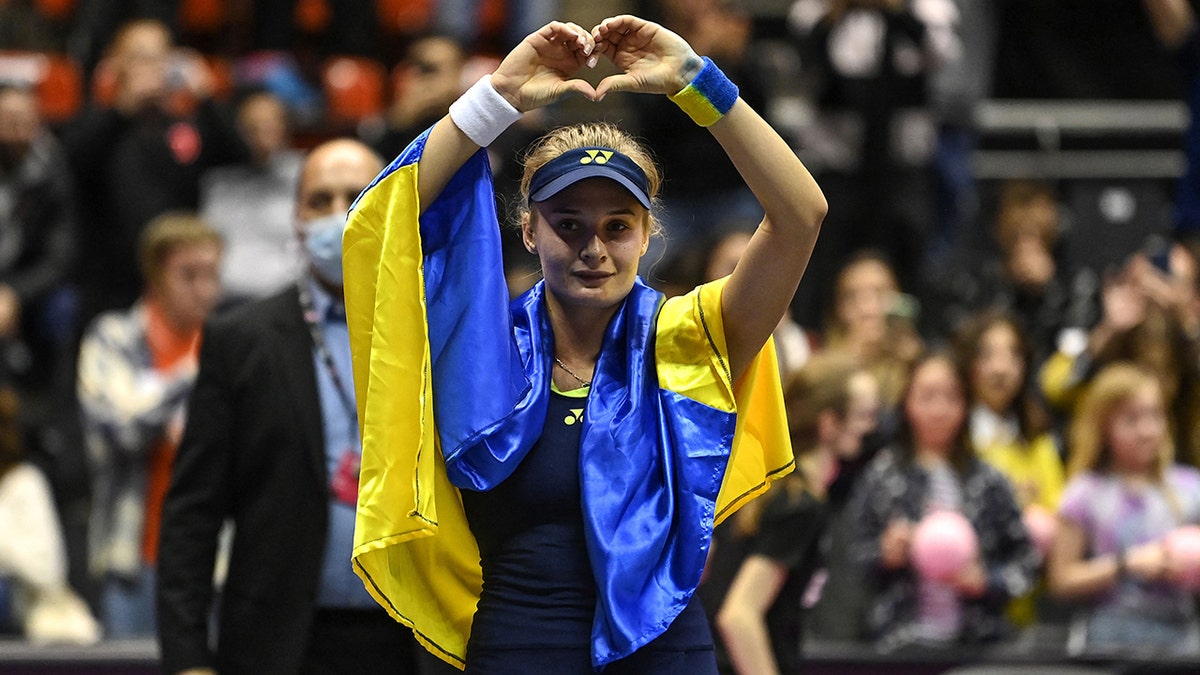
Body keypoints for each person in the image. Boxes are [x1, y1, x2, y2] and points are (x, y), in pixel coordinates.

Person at [344, 14, 827, 674]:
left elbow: (802, 215)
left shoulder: (690, 338)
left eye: (617, 225)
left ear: (648, 232)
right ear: (528, 232)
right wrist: (498, 95)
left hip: (667, 655)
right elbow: (377, 227)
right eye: (568, 224)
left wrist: (696, 82)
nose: (594, 248)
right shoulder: (480, 349)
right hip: (518, 653)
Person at [156, 139, 432, 675]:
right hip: (279, 645)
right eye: (319, 200)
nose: (339, 215)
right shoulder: (243, 340)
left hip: (417, 643)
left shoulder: (437, 327)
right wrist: (187, 659)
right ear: (296, 218)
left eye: (357, 196)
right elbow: (193, 512)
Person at [78, 212, 223, 638]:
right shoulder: (113, 338)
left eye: (211, 275)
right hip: (132, 558)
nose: (204, 290)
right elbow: (119, 431)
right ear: (155, 276)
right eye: (188, 275)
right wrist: (191, 374)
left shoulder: (229, 343)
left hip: (214, 565)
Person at [846, 351, 1038, 652]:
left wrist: (988, 581)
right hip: (898, 642)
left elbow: (1026, 561)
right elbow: (853, 558)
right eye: (927, 396)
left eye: (951, 397)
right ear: (906, 403)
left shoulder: (989, 480)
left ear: (966, 405)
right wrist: (885, 553)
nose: (939, 409)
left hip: (978, 643)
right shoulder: (883, 476)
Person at [62, 18, 246, 325]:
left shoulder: (183, 124)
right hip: (106, 283)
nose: (149, 66)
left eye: (159, 56)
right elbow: (71, 164)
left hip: (176, 283)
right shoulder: (94, 121)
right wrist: (123, 109)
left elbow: (239, 154)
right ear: (114, 62)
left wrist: (207, 95)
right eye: (138, 56)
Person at [707, 352, 879, 674]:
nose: (871, 428)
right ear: (829, 423)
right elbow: (739, 616)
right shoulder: (799, 504)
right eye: (863, 416)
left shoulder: (766, 485)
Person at [1048, 362, 1200, 657]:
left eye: (1155, 415)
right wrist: (1126, 564)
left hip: (1182, 641)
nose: (1147, 430)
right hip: (1110, 640)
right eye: (1131, 419)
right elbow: (1061, 580)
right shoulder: (1085, 492)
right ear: (1104, 427)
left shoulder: (1190, 487)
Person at [199, 89, 303, 305]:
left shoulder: (305, 175)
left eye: (270, 123)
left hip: (285, 300)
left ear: (285, 127)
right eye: (253, 126)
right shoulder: (218, 182)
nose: (262, 133)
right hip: (227, 302)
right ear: (238, 129)